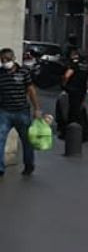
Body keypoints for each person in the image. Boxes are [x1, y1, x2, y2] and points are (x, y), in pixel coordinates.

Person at [0, 47, 41, 177]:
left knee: (27, 141)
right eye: (2, 60)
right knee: (0, 139)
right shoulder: (0, 73)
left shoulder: (24, 72)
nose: (5, 62)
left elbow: (31, 90)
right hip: (4, 112)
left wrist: (37, 109)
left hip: (22, 112)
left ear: (13, 59)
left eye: (7, 59)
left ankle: (29, 165)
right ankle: (0, 168)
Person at [61, 48, 88, 134]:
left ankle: (70, 129)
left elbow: (67, 76)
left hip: (72, 89)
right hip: (82, 90)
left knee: (72, 110)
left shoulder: (74, 65)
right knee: (79, 109)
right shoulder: (87, 67)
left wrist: (63, 84)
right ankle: (79, 128)